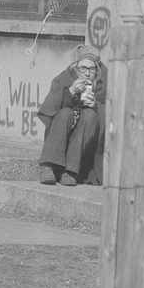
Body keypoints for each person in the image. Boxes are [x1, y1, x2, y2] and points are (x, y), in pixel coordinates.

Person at [36, 44, 107, 186]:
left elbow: (114, 117)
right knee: (65, 113)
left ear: (97, 71)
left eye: (91, 69)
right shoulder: (62, 80)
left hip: (85, 147)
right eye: (83, 68)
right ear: (75, 68)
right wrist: (70, 92)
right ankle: (48, 166)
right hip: (61, 139)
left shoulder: (104, 84)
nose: (87, 73)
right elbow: (49, 109)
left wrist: (96, 106)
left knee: (89, 115)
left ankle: (70, 171)